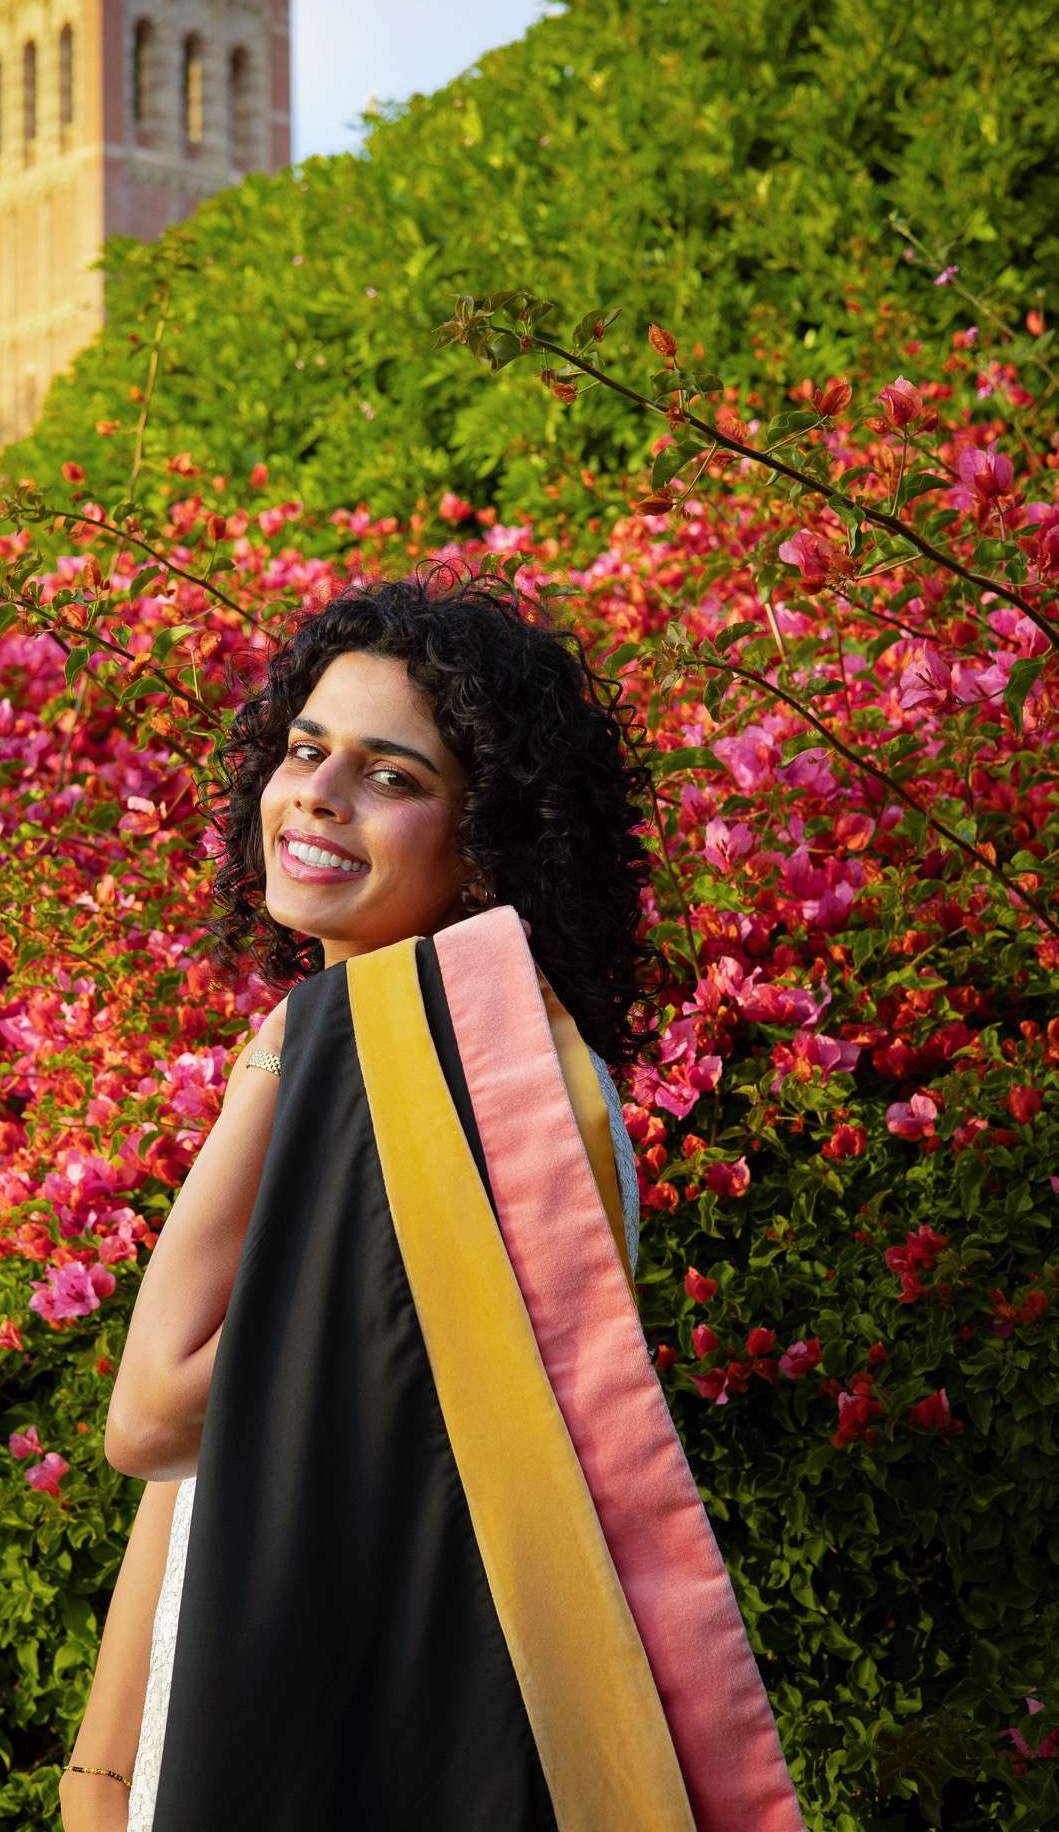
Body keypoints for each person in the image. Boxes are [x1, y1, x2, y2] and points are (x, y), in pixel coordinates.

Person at [61, 565, 805, 1831]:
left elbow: (150, 1414)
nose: (319, 795)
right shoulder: (504, 1072)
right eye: (306, 748)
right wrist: (106, 1774)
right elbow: (206, 1460)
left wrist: (277, 1060)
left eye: (393, 776)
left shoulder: (390, 1066)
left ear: (488, 844)